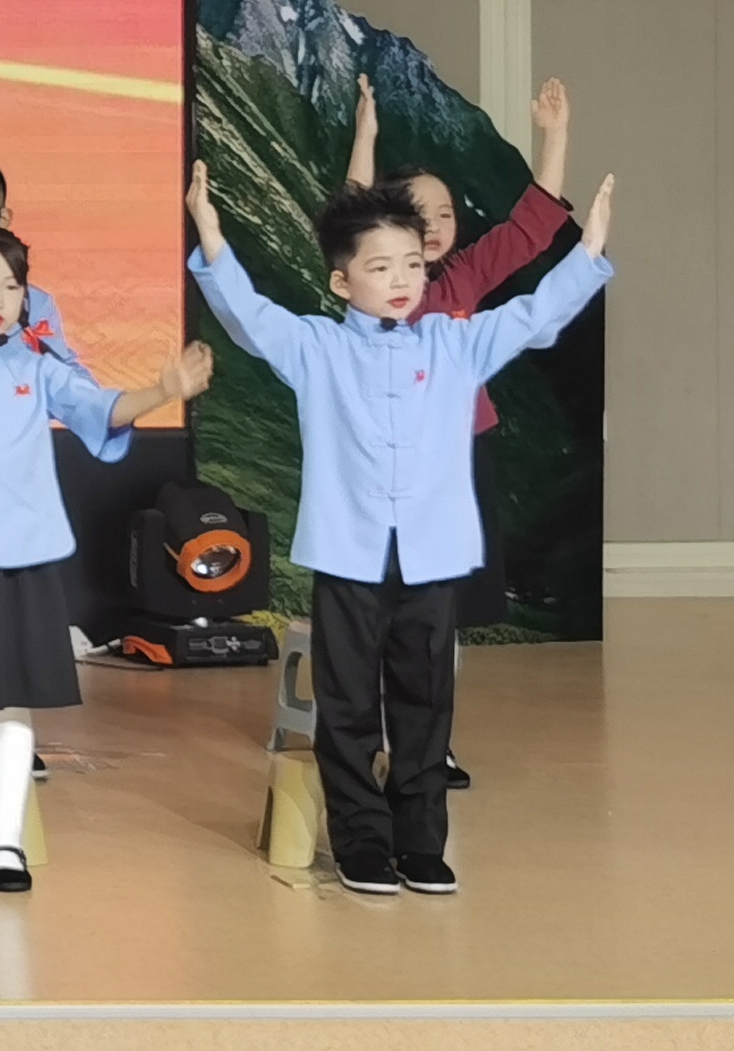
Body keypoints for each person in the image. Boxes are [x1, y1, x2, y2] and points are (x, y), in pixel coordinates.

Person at [188, 164, 613, 897]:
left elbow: (534, 316)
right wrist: (210, 233)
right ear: (341, 281)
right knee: (348, 705)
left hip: (432, 555)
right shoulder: (316, 347)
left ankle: (420, 843)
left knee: (425, 704)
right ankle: (361, 841)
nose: (401, 280)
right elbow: (249, 317)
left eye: (412, 264)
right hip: (348, 556)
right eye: (380, 266)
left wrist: (589, 252)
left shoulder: (455, 343)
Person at [0, 226, 212, 893]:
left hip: (24, 555)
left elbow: (99, 409)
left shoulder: (38, 365)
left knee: (12, 703)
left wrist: (161, 390)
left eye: (11, 285)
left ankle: (8, 841)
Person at [347, 75, 578, 780]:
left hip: (463, 454)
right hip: (394, 463)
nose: (437, 223)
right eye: (419, 212)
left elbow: (533, 226)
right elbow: (350, 214)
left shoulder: (466, 277)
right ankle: (384, 736)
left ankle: (430, 744)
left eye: (445, 211)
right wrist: (365, 136)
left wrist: (555, 136)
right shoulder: (375, 288)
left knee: (443, 611)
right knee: (394, 607)